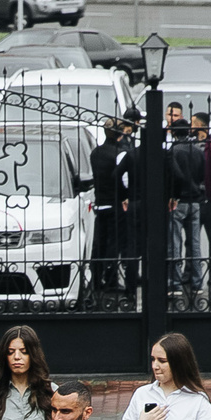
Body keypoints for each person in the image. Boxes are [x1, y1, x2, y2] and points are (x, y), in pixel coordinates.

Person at [165, 104, 207, 297]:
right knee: (195, 243)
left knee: (175, 243)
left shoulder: (173, 151)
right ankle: (197, 282)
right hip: (195, 200)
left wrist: (172, 196)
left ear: (174, 133)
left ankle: (175, 283)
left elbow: (173, 176)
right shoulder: (198, 150)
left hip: (179, 200)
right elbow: (202, 175)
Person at [88, 118, 131, 296]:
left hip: (100, 202)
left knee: (99, 243)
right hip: (115, 203)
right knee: (114, 243)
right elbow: (123, 180)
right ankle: (111, 279)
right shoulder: (120, 153)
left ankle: (96, 278)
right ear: (120, 135)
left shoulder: (95, 152)